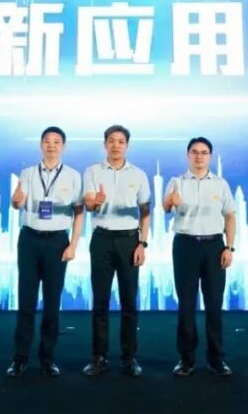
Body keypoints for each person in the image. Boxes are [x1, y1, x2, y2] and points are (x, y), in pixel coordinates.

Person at [7, 126, 84, 377]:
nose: (51, 145)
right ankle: (19, 359)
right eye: (47, 141)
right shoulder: (28, 173)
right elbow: (18, 203)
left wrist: (73, 244)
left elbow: (79, 212)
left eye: (56, 141)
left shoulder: (73, 176)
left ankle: (48, 359)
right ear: (41, 145)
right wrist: (15, 201)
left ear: (63, 146)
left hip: (57, 242)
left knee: (52, 303)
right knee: (26, 302)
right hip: (29, 240)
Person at [163, 136, 236, 377]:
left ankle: (216, 359)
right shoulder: (177, 182)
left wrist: (230, 247)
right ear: (188, 155)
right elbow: (165, 207)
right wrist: (170, 201)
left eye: (204, 152)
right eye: (195, 152)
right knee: (186, 305)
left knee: (214, 304)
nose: (199, 156)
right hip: (185, 246)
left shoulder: (220, 184)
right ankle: (186, 359)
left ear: (210, 157)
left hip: (214, 246)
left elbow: (230, 216)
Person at [81, 124, 151, 377]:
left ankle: (129, 358)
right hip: (101, 239)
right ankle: (99, 357)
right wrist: (95, 201)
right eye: (111, 141)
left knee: (129, 301)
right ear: (105, 144)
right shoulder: (92, 171)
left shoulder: (139, 175)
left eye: (121, 141)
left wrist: (142, 243)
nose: (116, 145)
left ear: (127, 146)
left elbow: (145, 211)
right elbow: (89, 204)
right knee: (100, 301)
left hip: (129, 240)